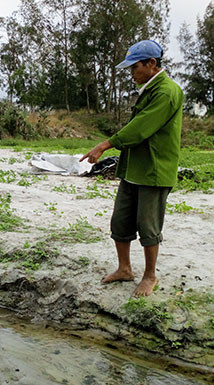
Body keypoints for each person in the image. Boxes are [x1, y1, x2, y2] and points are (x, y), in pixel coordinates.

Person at [80, 40, 184, 297]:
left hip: (154, 170)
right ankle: (124, 268)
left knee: (148, 226)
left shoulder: (167, 92)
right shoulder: (149, 89)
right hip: (134, 168)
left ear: (151, 64)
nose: (131, 73)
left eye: (134, 67)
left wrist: (105, 145)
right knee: (121, 220)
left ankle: (150, 276)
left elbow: (140, 128)